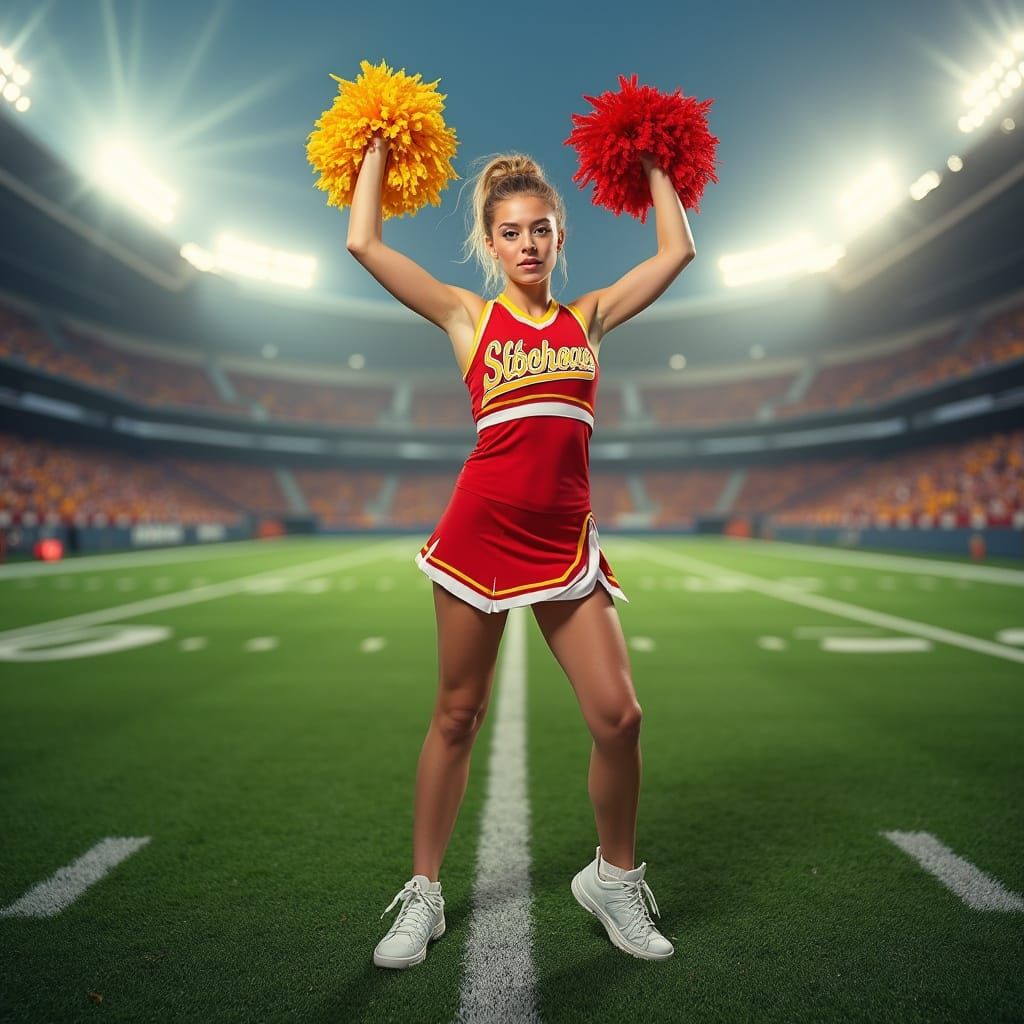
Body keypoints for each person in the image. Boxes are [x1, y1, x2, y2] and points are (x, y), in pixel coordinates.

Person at [346, 132, 695, 968]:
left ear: (560, 236)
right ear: (490, 242)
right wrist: (378, 148)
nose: (528, 243)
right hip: (479, 537)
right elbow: (363, 241)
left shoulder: (591, 318)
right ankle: (423, 895)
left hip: (566, 541)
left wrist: (652, 154)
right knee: (457, 714)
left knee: (620, 716)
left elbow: (678, 248)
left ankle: (613, 879)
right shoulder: (470, 316)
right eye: (511, 232)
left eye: (541, 228)